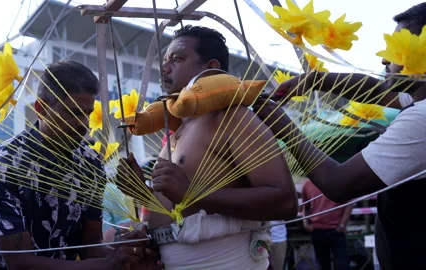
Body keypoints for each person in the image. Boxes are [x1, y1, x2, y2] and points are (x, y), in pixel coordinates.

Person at [253, 3, 426, 269]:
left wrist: (281, 124)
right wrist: (315, 80)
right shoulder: (417, 102)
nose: (383, 59)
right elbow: (377, 91)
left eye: (395, 48)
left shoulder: (422, 117)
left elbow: (339, 184)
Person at [119, 25, 298, 269]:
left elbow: (285, 202)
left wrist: (193, 193)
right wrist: (140, 191)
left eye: (178, 58)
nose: (165, 67)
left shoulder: (232, 117)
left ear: (211, 67)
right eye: (164, 61)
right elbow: (180, 209)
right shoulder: (178, 131)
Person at [0, 60, 156, 270]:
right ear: (41, 109)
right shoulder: (3, 164)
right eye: (72, 112)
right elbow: (20, 263)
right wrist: (108, 264)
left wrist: (126, 256)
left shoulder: (90, 162)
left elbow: (89, 246)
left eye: (87, 114)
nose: (83, 124)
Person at [302, 179, 353, 270]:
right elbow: (305, 206)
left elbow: (349, 203)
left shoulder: (338, 181)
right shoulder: (307, 184)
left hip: (336, 230)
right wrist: (305, 223)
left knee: (342, 265)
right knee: (323, 265)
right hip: (317, 230)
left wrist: (342, 225)